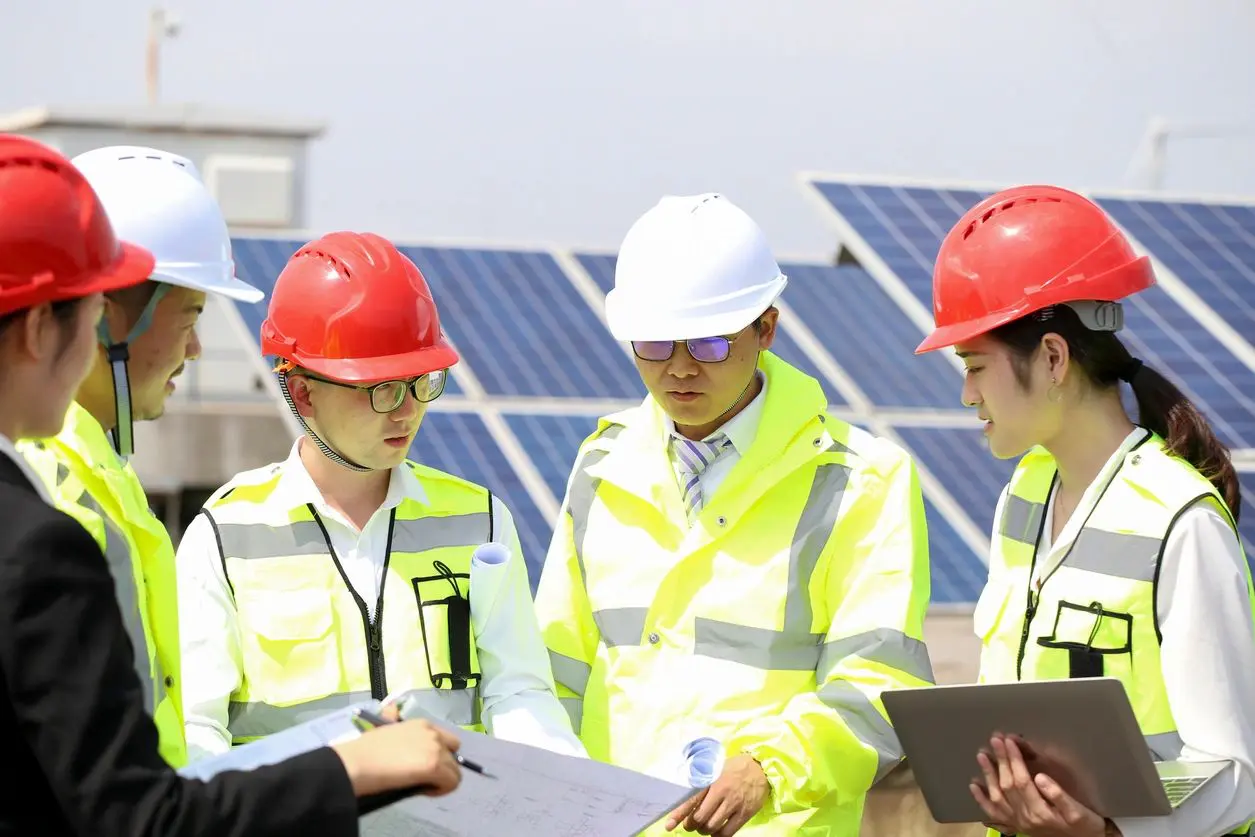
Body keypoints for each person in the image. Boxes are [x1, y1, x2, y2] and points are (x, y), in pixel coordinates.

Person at [0, 132, 463, 837]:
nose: (194, 348)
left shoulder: (95, 486)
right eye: (190, 316)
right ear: (87, 320)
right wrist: (354, 770)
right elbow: (133, 816)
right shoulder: (48, 525)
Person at [533, 192, 935, 836]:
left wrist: (769, 768)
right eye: (655, 344)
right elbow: (554, 669)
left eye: (710, 344)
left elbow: (882, 681)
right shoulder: (601, 464)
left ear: (766, 329)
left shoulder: (860, 477)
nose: (681, 368)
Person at [913, 184, 1255, 837]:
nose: (964, 394)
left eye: (975, 365)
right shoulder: (1022, 495)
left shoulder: (1180, 522)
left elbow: (1235, 776)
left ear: (1050, 357)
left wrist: (1106, 832)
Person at [175, 230, 585, 761]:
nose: (408, 409)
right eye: (383, 388)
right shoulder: (226, 535)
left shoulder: (479, 522)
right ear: (303, 392)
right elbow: (196, 731)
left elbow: (520, 694)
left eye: (421, 382)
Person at [17, 144, 267, 767]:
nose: (198, 349)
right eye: (190, 317)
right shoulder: (48, 491)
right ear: (108, 318)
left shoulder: (104, 476)